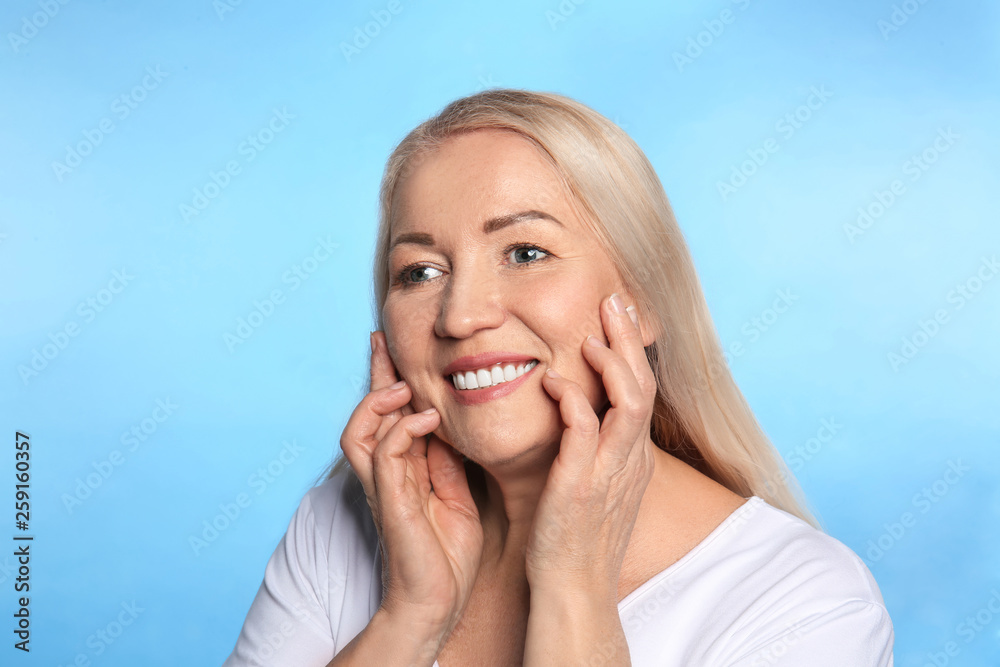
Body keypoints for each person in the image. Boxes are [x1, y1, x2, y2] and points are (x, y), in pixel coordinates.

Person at [222, 89, 894, 666]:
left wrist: (574, 586)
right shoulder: (341, 523)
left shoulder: (805, 600)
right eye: (420, 271)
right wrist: (410, 618)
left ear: (644, 300)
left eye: (525, 252)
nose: (460, 316)